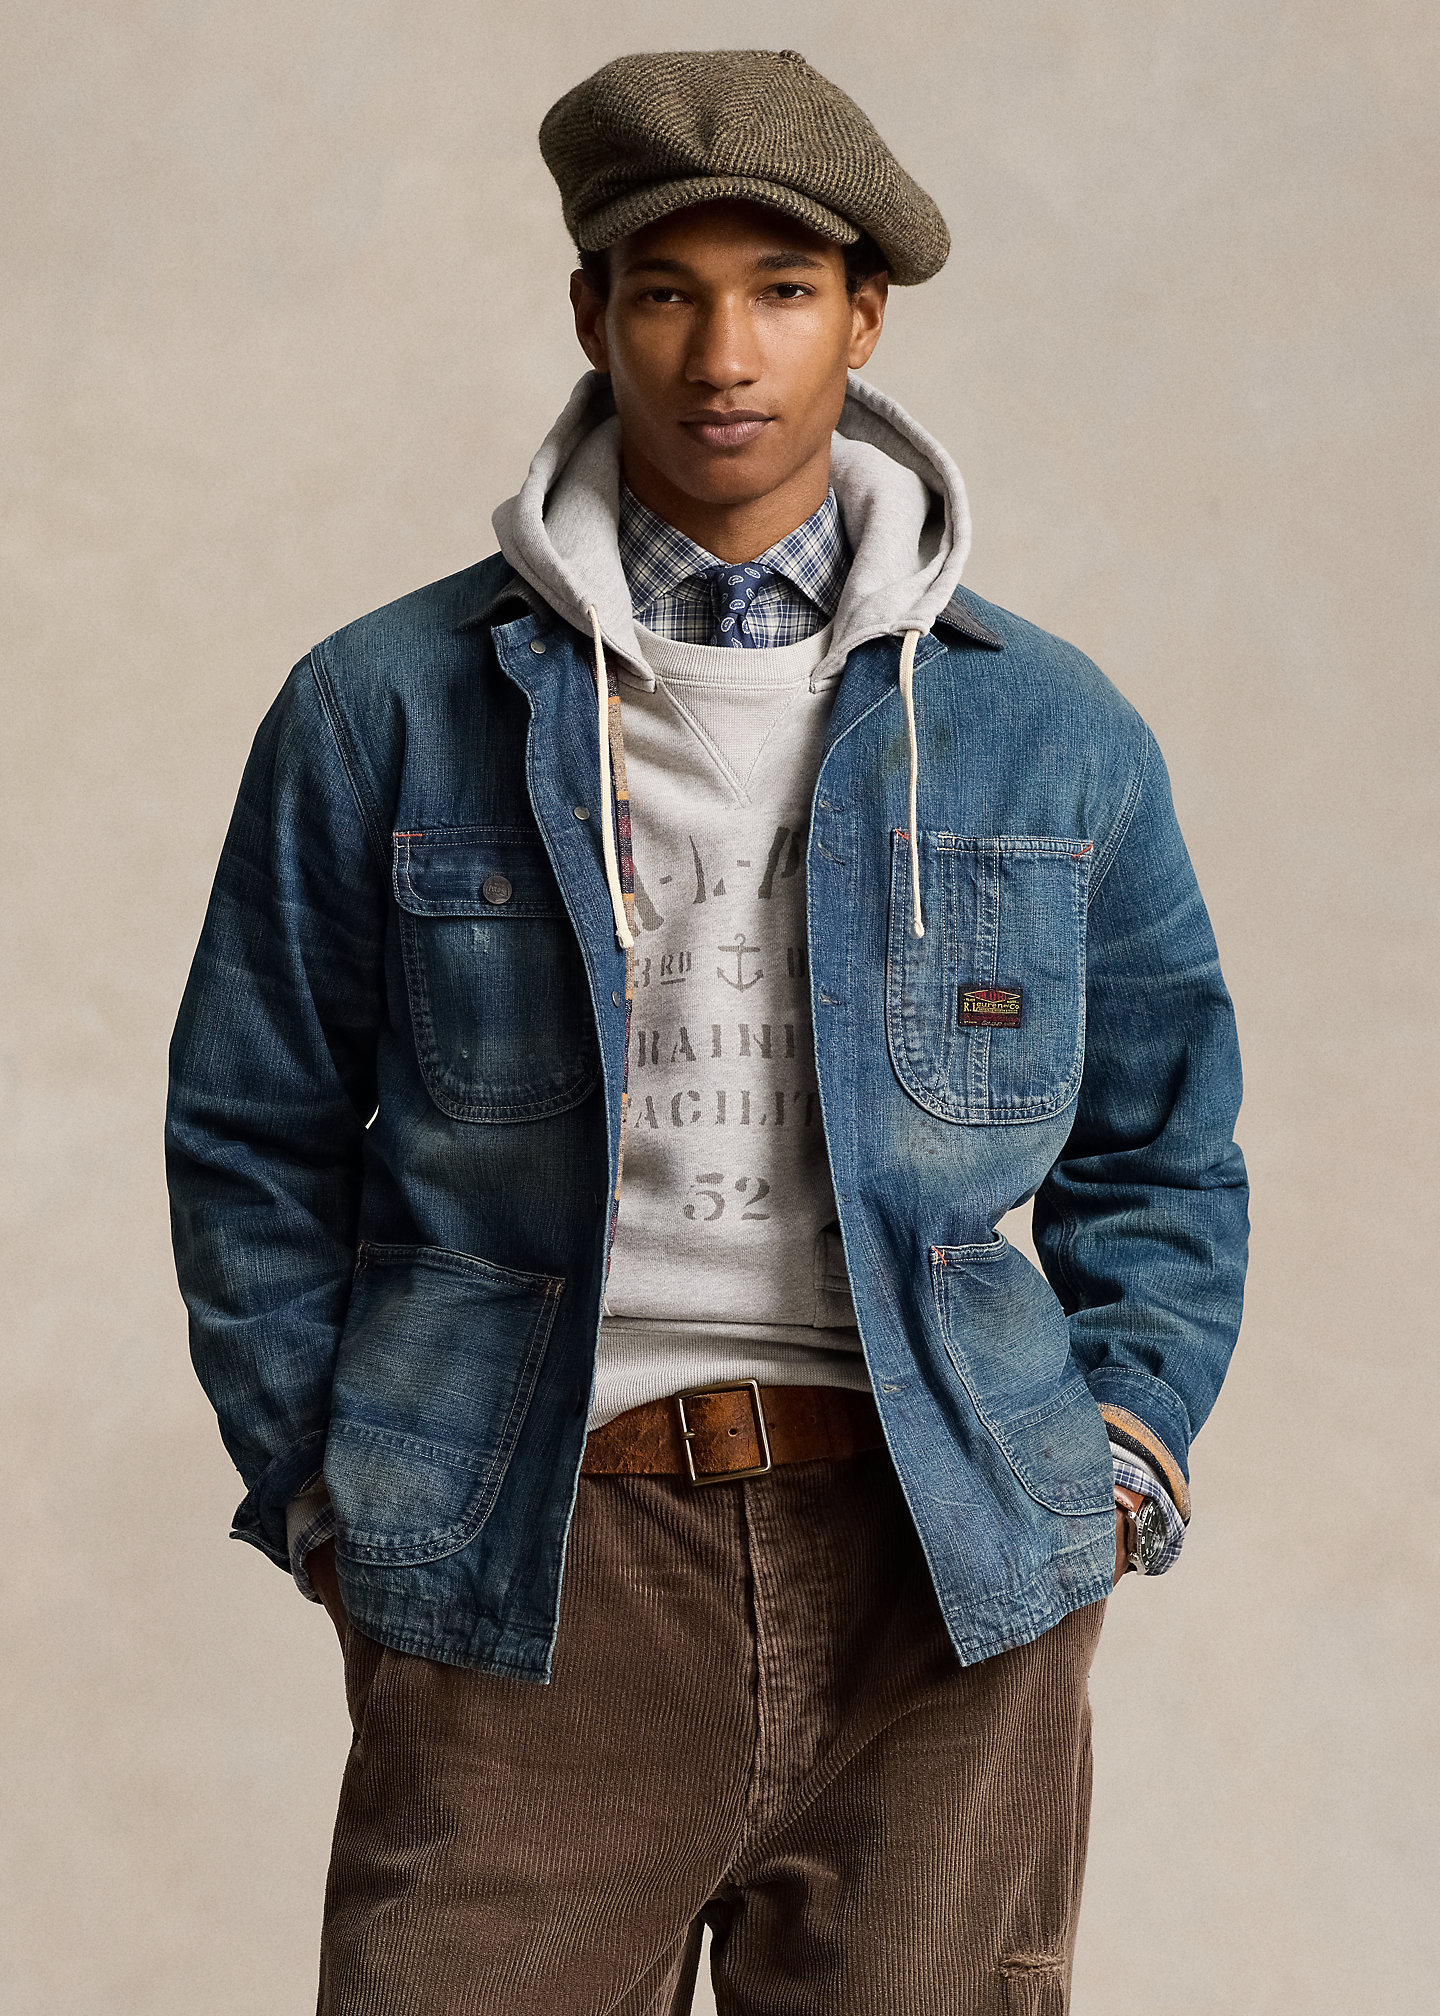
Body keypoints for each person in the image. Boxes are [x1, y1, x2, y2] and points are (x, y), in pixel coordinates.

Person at [166, 46, 1248, 2016]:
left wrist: (1111, 1463)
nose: (722, 353)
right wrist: (333, 1497)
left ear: (864, 314)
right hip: (536, 1562)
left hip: (945, 1574)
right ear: (591, 312)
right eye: (666, 290)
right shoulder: (385, 707)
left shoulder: (1048, 727)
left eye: (781, 288)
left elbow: (1164, 1148)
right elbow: (252, 1129)